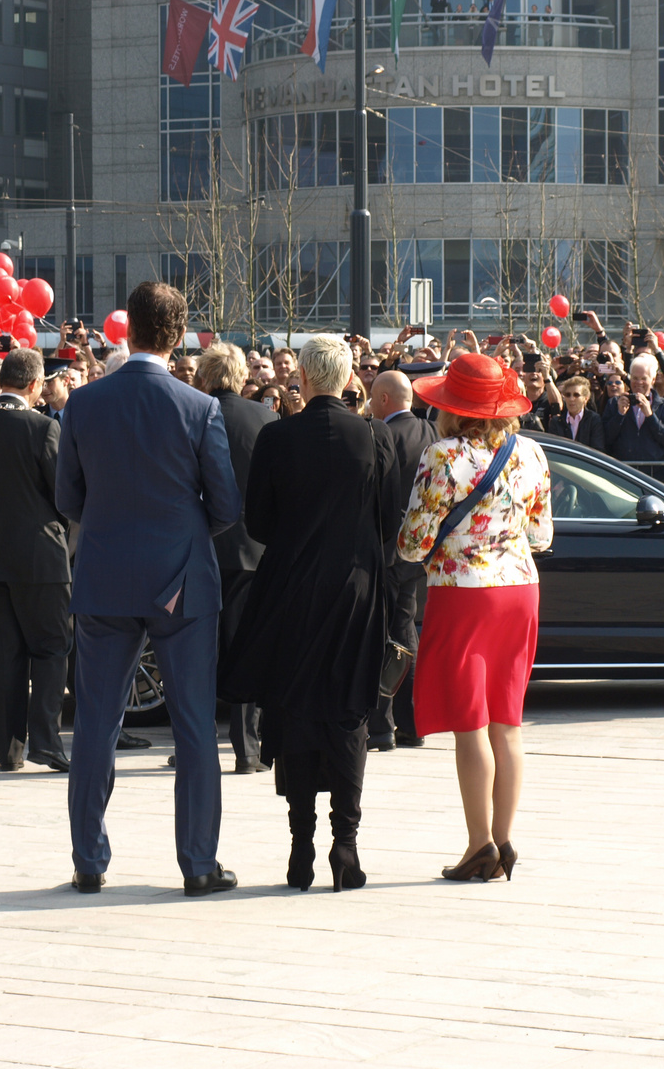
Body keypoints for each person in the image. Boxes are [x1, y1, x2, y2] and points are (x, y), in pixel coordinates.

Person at [56, 281, 242, 897]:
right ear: (179, 335)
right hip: (181, 583)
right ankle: (197, 864)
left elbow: (67, 499)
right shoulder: (199, 408)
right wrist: (180, 535)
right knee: (193, 728)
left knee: (94, 725)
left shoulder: (83, 404)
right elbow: (224, 504)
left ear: (126, 328)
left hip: (106, 576)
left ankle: (89, 860)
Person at [220, 334, 398, 893]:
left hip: (292, 590)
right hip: (355, 590)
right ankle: (345, 843)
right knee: (348, 712)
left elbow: (259, 524)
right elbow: (389, 523)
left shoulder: (277, 437)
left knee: (295, 709)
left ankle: (300, 848)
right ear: (349, 379)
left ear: (302, 379)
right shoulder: (373, 437)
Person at [398, 354, 552, 884]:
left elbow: (415, 544)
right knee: (508, 722)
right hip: (521, 588)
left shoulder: (441, 455)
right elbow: (542, 536)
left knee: (472, 726)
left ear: (451, 405)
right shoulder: (531, 451)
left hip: (466, 592)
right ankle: (504, 841)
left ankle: (477, 844)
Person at [0, 350, 73, 772]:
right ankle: (45, 740)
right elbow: (65, 497)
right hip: (39, 558)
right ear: (36, 385)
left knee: (5, 655)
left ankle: (8, 749)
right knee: (52, 647)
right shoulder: (43, 429)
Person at [197, 342, 278, 773]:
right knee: (248, 645)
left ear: (206, 377)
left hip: (202, 547)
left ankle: (197, 744)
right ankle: (247, 749)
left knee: (200, 650)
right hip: (255, 548)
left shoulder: (192, 414)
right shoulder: (265, 418)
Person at [367, 369, 437, 751]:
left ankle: (383, 724)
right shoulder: (433, 433)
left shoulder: (383, 434)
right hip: (422, 551)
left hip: (390, 551)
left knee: (390, 635)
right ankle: (412, 723)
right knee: (405, 630)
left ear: (383, 400)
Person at [602, 354, 664, 471]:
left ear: (653, 380)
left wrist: (650, 416)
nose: (638, 382)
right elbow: (606, 438)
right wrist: (620, 414)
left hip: (654, 473)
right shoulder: (614, 403)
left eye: (643, 378)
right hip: (623, 471)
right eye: (635, 378)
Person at [546, 375, 606, 450]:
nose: (571, 399)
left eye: (576, 395)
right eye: (568, 395)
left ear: (586, 398)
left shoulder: (593, 419)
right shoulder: (556, 422)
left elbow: (597, 449)